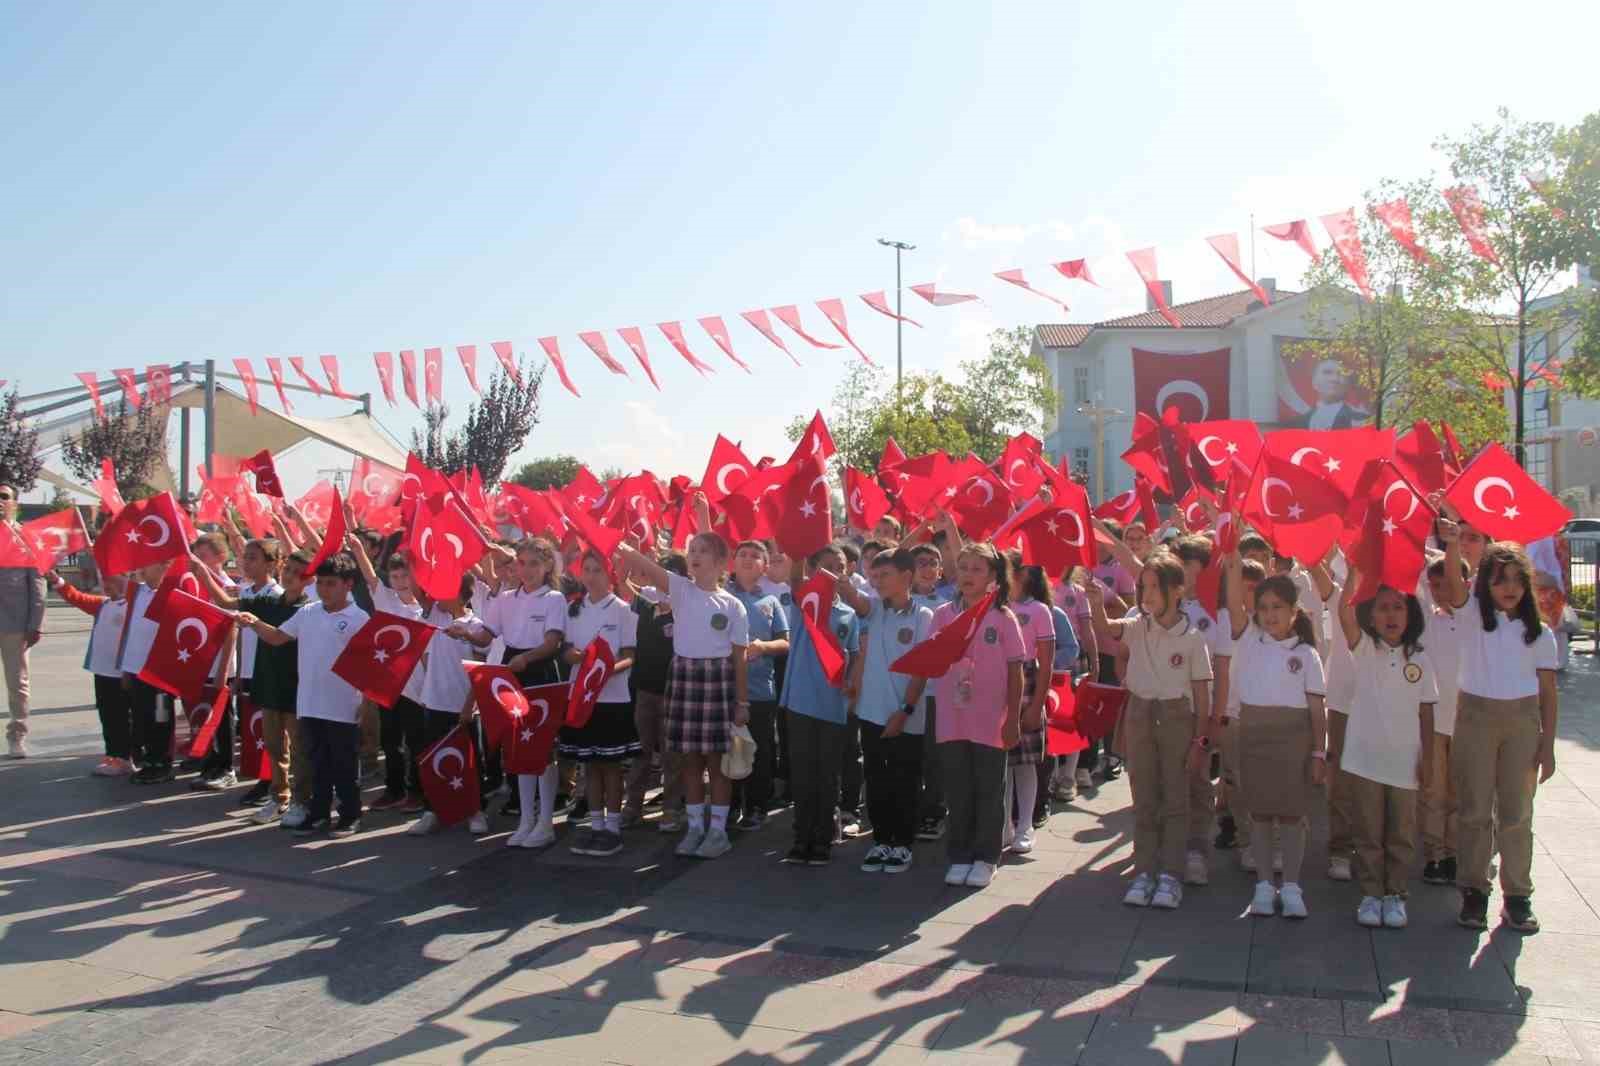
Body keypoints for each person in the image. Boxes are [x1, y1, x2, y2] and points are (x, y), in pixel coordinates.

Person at [1439, 524, 1559, 933]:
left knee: (1516, 813)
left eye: (1515, 580)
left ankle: (1518, 896)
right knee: (1473, 811)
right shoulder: (1472, 617)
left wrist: (1548, 746)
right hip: (1475, 717)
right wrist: (1453, 544)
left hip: (1522, 723)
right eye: (1499, 579)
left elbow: (1547, 692)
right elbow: (1454, 583)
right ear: (1485, 583)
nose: (1508, 588)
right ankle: (1474, 891)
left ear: (1526, 584)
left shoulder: (1539, 633)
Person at [1086, 553, 1212, 910]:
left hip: (1176, 716)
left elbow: (1201, 695)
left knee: (1176, 798)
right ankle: (1144, 871)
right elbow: (1109, 628)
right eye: (1144, 587)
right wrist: (1096, 604)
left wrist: (1199, 741)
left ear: (1176, 590)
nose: (1148, 594)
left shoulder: (1192, 637)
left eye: (1156, 587)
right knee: (1143, 796)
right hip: (1140, 712)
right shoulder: (1138, 623)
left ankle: (1171, 875)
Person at [618, 527, 749, 860]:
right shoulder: (680, 589)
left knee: (717, 764)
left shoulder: (733, 604)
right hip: (684, 676)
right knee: (689, 760)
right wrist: (623, 547)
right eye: (692, 549)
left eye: (703, 550)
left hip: (718, 680)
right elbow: (643, 564)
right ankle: (694, 828)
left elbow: (739, 655)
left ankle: (717, 832)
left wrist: (742, 701)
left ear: (722, 562)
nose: (694, 555)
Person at [1224, 552, 1327, 920]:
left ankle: (1293, 885)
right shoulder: (1250, 640)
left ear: (1294, 611)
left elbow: (1317, 709)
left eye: (1278, 607)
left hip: (1294, 742)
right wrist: (1232, 557)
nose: (1270, 615)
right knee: (1262, 815)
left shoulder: (1307, 654)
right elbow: (1235, 602)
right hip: (1254, 736)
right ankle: (1265, 885)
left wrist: (1318, 754)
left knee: (1293, 816)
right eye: (1264, 607)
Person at [238, 553, 370, 837]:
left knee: (344, 764)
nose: (324, 589)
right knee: (316, 763)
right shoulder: (308, 613)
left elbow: (368, 666)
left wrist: (366, 704)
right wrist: (253, 622)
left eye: (331, 583)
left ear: (348, 584)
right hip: (309, 703)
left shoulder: (359, 618)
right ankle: (319, 813)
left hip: (343, 705)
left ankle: (350, 815)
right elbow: (276, 637)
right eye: (321, 583)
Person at [1335, 568, 1436, 929]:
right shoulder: (1365, 648)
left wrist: (1429, 761)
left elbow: (1427, 712)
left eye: (1398, 607)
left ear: (1410, 614)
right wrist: (1354, 573)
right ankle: (1371, 893)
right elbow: (1343, 612)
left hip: (1405, 761)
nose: (1391, 615)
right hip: (1364, 758)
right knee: (1368, 830)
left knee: (1401, 833)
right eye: (1382, 608)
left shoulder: (1421, 658)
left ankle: (1395, 894)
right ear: (1371, 616)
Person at [929, 541, 1023, 890]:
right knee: (957, 789)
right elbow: (932, 660)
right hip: (952, 717)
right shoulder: (942, 615)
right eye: (964, 567)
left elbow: (1017, 672)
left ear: (993, 578)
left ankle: (987, 856)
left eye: (977, 569)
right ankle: (960, 854)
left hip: (990, 718)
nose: (968, 575)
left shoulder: (1003, 617)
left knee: (988, 789)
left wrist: (1013, 717)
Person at [778, 543, 863, 866]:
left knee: (828, 774)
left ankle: (824, 838)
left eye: (838, 566)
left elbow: (854, 653)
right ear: (813, 571)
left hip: (832, 705)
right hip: (799, 702)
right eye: (825, 566)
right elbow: (795, 574)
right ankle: (802, 838)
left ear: (848, 570)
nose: (833, 571)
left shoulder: (848, 614)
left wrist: (852, 681)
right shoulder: (805, 603)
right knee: (802, 774)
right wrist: (802, 536)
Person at [854, 547, 931, 874]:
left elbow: (922, 670)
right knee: (877, 779)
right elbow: (848, 593)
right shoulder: (873, 610)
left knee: (905, 780)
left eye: (885, 575)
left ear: (906, 577)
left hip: (906, 715)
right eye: (874, 575)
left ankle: (902, 844)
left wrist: (905, 710)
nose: (877, 581)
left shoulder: (924, 616)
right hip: (870, 712)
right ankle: (881, 841)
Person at [558, 550, 640, 857]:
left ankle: (613, 828)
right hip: (580, 698)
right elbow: (566, 650)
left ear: (611, 575)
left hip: (612, 698)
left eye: (598, 571)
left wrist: (603, 671)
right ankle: (595, 826)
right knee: (589, 765)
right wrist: (574, 658)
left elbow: (630, 655)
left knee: (611, 766)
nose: (591, 576)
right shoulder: (572, 609)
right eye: (587, 570)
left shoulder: (623, 610)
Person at [482, 537, 567, 825]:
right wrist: (463, 632)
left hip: (539, 671)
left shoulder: (554, 598)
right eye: (521, 563)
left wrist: (527, 659)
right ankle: (526, 819)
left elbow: (552, 642)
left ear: (547, 566)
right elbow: (486, 634)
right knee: (517, 745)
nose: (527, 569)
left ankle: (544, 821)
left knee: (542, 746)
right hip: (512, 669)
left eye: (534, 563)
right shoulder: (506, 598)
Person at [190, 538, 283, 799]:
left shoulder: (274, 596)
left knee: (269, 732)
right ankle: (261, 781)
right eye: (245, 557)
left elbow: (274, 637)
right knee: (253, 731)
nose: (246, 562)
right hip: (249, 674)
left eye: (253, 558)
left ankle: (273, 783)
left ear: (271, 563)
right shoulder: (247, 592)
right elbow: (230, 613)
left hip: (267, 673)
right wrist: (241, 671)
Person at [346, 535, 427, 816]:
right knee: (390, 742)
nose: (400, 580)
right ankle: (394, 790)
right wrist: (357, 547)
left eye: (405, 574)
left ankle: (418, 792)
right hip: (389, 684)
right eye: (395, 575)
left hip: (417, 688)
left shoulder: (426, 607)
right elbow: (369, 575)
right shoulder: (385, 599)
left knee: (416, 742)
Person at [414, 575, 497, 839]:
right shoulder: (434, 616)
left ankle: (476, 810)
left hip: (463, 706)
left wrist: (469, 705)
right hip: (434, 702)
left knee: (472, 762)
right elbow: (419, 587)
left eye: (445, 590)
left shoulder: (477, 626)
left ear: (463, 595)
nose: (437, 595)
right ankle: (432, 810)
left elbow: (481, 672)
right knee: (432, 758)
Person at [725, 540, 789, 831]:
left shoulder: (771, 601)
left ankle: (756, 806)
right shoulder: (721, 596)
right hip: (724, 690)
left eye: (755, 556)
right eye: (742, 555)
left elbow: (786, 641)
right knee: (729, 750)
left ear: (765, 566)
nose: (748, 559)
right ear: (732, 562)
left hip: (761, 690)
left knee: (760, 750)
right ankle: (730, 805)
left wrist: (764, 646)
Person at [247, 550, 314, 827]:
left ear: (308, 581)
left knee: (299, 749)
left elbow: (276, 637)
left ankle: (301, 801)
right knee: (275, 747)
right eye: (287, 570)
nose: (288, 576)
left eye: (297, 574)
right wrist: (200, 569)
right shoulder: (268, 602)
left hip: (296, 688)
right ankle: (279, 796)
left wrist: (255, 623)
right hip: (269, 685)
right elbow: (227, 602)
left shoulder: (308, 610)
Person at [623, 550, 687, 831]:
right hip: (644, 690)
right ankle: (633, 806)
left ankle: (671, 809)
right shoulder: (645, 603)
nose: (665, 578)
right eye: (662, 571)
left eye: (672, 573)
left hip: (674, 691)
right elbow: (623, 586)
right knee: (641, 752)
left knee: (673, 755)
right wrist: (625, 557)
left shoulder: (687, 607)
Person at [49, 568, 132, 775]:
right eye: (104, 579)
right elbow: (76, 598)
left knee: (122, 717)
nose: (106, 583)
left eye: (112, 579)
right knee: (107, 715)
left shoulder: (133, 606)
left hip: (123, 673)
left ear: (126, 578)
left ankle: (125, 758)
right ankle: (112, 754)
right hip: (101, 671)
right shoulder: (102, 605)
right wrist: (57, 580)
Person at [1002, 551, 1055, 855]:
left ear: (1022, 575)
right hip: (999, 683)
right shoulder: (997, 606)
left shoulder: (1038, 611)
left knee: (1025, 763)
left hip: (1027, 680)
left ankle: (1025, 825)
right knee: (1003, 763)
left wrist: (1036, 705)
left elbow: (1045, 664)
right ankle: (1005, 825)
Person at [1420, 555, 1467, 887]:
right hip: (1435, 721)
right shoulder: (1427, 625)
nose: (1439, 591)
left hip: (1467, 721)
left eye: (1446, 583)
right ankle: (1435, 854)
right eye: (1433, 585)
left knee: (1462, 792)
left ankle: (1456, 852)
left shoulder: (1475, 624)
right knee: (1435, 792)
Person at [119, 561, 176, 784]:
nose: (142, 566)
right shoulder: (138, 591)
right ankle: (150, 760)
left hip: (160, 673)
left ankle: (163, 763)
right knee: (143, 716)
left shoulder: (170, 594)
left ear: (164, 567)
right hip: (136, 669)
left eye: (150, 563)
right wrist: (125, 668)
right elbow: (130, 630)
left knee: (161, 717)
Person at [0, 484, 45, 759]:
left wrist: (36, 622)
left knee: (18, 683)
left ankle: (17, 734)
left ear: (15, 503)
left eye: (4, 496)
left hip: (14, 623)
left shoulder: (25, 537)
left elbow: (37, 583)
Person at [1288, 358, 1369, 430]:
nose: (1334, 379)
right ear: (1314, 382)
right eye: (1327, 372)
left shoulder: (1363, 421)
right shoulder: (1296, 424)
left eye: (1341, 373)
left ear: (1348, 384)